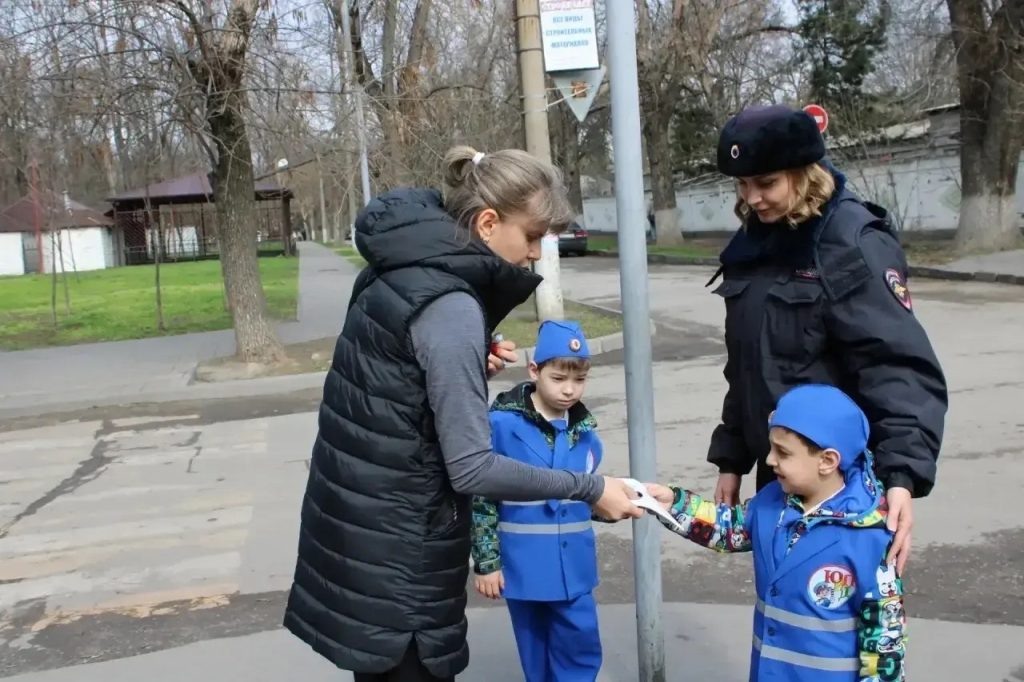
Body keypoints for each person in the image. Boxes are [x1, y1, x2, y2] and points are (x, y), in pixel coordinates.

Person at [281, 146, 643, 682]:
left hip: (366, 536)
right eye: (533, 236)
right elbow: (473, 468)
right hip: (402, 558)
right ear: (489, 222)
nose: (539, 254)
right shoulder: (449, 306)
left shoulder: (405, 268)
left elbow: (399, 392)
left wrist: (466, 371)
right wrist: (592, 488)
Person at [705, 104, 947, 573]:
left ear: (804, 173)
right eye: (742, 185)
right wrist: (731, 457)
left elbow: (897, 367)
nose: (752, 198)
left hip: (843, 485)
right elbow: (749, 365)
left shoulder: (850, 242)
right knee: (784, 611)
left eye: (766, 183)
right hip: (781, 474)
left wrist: (901, 475)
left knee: (842, 630)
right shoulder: (755, 243)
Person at [648, 384, 907, 682]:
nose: (770, 460)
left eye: (782, 452)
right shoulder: (771, 501)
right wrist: (674, 503)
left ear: (827, 461)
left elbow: (886, 636)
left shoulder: (871, 534)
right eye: (771, 447)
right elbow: (728, 528)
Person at [471, 320, 604, 682]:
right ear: (534, 370)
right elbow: (482, 497)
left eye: (579, 380)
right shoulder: (500, 425)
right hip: (523, 565)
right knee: (535, 652)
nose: (569, 391)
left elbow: (586, 497)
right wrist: (487, 562)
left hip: (574, 567)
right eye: (559, 379)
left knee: (581, 645)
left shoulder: (587, 436)